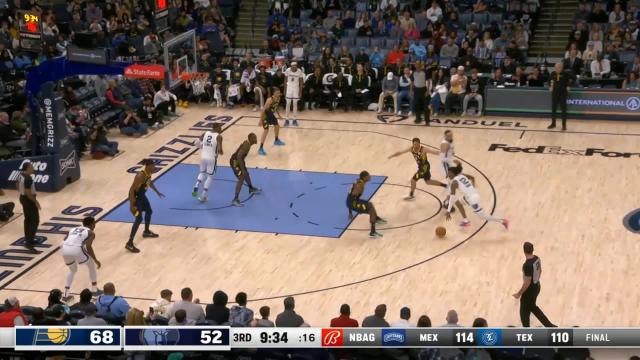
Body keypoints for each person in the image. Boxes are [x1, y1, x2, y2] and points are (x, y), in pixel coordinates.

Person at [445, 161, 508, 228]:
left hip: (473, 199)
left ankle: (503, 221)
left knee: (482, 216)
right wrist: (472, 187)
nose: (448, 175)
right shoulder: (462, 175)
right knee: (458, 203)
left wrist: (448, 211)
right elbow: (472, 177)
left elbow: (452, 197)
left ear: (452, 173)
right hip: (471, 195)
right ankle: (466, 221)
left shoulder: (454, 183)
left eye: (448, 173)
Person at [513, 242, 555, 327]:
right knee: (533, 307)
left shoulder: (527, 265)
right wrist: (536, 280)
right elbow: (540, 271)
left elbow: (527, 282)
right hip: (537, 286)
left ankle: (527, 330)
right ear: (532, 250)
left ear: (524, 251)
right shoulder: (537, 258)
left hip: (529, 290)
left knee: (523, 312)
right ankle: (549, 325)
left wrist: (519, 294)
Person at [127, 159, 165, 253]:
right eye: (153, 166)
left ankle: (146, 232)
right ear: (148, 166)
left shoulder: (148, 173)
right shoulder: (140, 176)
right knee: (138, 219)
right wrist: (132, 205)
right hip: (136, 198)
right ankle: (129, 243)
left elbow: (150, 182)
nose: (155, 167)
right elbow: (131, 190)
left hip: (142, 196)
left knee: (149, 211)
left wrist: (157, 192)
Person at [61, 216, 102, 302]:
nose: (95, 225)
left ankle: (65, 294)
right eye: (94, 223)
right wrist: (96, 260)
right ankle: (94, 290)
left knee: (72, 270)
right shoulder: (91, 233)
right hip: (76, 249)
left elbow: (65, 239)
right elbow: (88, 246)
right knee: (91, 265)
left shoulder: (73, 229)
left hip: (64, 248)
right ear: (91, 224)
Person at [346, 171, 386, 238]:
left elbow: (350, 196)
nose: (370, 176)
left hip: (351, 202)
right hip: (353, 203)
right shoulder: (359, 185)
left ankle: (375, 218)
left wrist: (351, 211)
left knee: (370, 205)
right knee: (371, 209)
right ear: (365, 177)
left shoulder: (358, 181)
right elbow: (352, 197)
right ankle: (372, 232)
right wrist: (355, 209)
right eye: (368, 176)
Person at [192, 123, 223, 202]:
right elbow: (219, 150)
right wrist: (221, 152)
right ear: (216, 128)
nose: (221, 129)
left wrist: (202, 147)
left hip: (203, 157)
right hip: (211, 158)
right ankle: (203, 196)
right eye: (220, 127)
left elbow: (195, 143)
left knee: (202, 173)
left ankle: (196, 185)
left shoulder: (205, 133)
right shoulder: (219, 136)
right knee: (210, 177)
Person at [230, 133, 262, 206]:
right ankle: (235, 199)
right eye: (255, 138)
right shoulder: (247, 145)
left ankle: (251, 188)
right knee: (241, 177)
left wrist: (243, 168)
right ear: (250, 139)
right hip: (235, 162)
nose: (256, 139)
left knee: (246, 174)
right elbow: (238, 156)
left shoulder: (247, 143)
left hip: (239, 160)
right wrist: (242, 169)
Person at [17, 161, 40, 251]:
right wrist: (35, 202)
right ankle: (29, 243)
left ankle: (28, 239)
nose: (33, 168)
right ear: (27, 168)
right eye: (31, 167)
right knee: (35, 220)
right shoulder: (28, 178)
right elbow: (28, 193)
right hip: (28, 200)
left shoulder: (21, 175)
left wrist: (21, 192)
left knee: (28, 219)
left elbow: (17, 185)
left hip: (22, 198)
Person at [258, 89, 285, 156]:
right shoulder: (269, 100)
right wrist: (260, 120)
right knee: (266, 131)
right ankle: (260, 148)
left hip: (270, 115)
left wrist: (279, 115)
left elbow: (275, 108)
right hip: (265, 116)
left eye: (279, 93)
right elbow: (263, 110)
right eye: (277, 93)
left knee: (277, 126)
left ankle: (276, 140)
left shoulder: (278, 99)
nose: (278, 94)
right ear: (273, 94)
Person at [548, 62, 574, 131]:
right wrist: (550, 86)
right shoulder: (553, 73)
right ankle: (553, 124)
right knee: (553, 110)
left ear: (561, 68)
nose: (556, 69)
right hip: (555, 94)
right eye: (555, 68)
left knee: (563, 110)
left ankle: (564, 125)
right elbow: (549, 81)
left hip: (563, 94)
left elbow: (572, 79)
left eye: (558, 67)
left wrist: (569, 85)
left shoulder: (566, 74)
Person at [283, 61, 304, 127]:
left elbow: (301, 82)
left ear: (297, 66)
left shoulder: (299, 71)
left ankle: (294, 119)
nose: (294, 66)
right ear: (291, 66)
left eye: (295, 65)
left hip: (296, 89)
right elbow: (285, 81)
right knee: (288, 103)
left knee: (295, 104)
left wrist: (300, 92)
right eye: (293, 65)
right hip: (289, 88)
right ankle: (286, 119)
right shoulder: (287, 70)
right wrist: (284, 90)